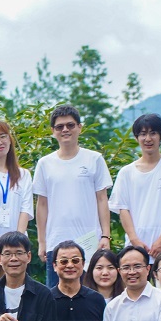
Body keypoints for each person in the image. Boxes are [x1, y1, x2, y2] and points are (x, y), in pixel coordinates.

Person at [33, 105, 112, 284]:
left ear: (79, 127)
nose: (65, 130)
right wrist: (42, 242)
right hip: (56, 241)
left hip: (89, 242)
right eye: (59, 126)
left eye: (70, 125)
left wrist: (105, 236)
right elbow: (42, 204)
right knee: (56, 295)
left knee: (90, 294)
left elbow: (102, 199)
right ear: (53, 131)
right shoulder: (45, 163)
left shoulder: (94, 159)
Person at [112, 113, 161, 260]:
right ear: (136, 138)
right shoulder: (126, 173)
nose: (148, 139)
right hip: (135, 251)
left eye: (153, 133)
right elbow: (123, 208)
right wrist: (134, 241)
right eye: (143, 134)